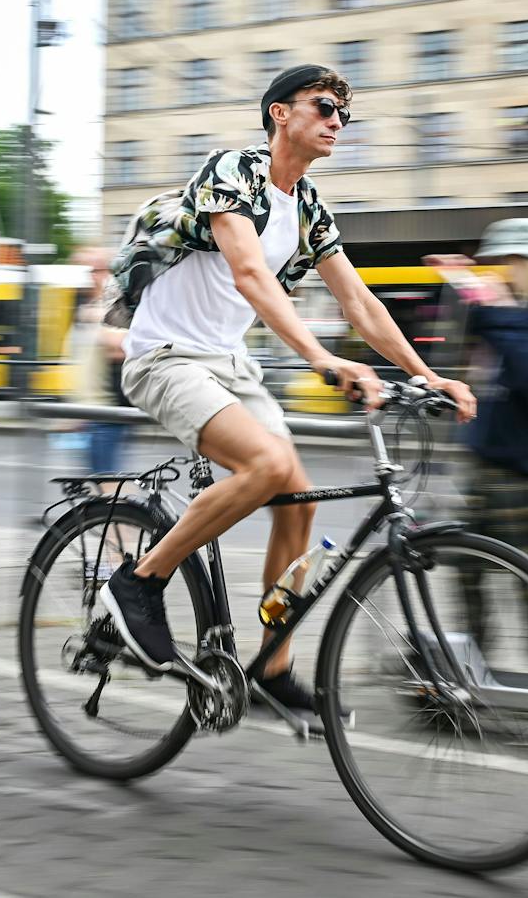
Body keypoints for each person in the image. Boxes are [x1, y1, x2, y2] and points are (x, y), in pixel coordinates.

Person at [100, 63, 476, 729]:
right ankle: (142, 579)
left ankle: (272, 668)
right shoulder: (233, 171)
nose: (337, 121)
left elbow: (357, 300)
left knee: (295, 501)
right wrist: (323, 358)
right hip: (164, 356)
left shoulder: (308, 206)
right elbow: (248, 272)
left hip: (229, 364)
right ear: (280, 112)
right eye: (326, 106)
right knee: (267, 466)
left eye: (344, 115)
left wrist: (427, 374)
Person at [426, 217, 528, 671]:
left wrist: (489, 308)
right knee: (471, 568)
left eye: (510, 262)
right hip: (488, 459)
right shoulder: (519, 310)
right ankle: (474, 659)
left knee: (526, 576)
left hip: (519, 465)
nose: (502, 271)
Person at [68, 247, 131, 476]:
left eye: (97, 270)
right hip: (88, 414)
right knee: (96, 483)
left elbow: (124, 348)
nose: (91, 276)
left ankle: (130, 513)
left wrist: (101, 327)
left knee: (105, 484)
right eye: (87, 270)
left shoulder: (115, 306)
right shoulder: (84, 306)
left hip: (108, 411)